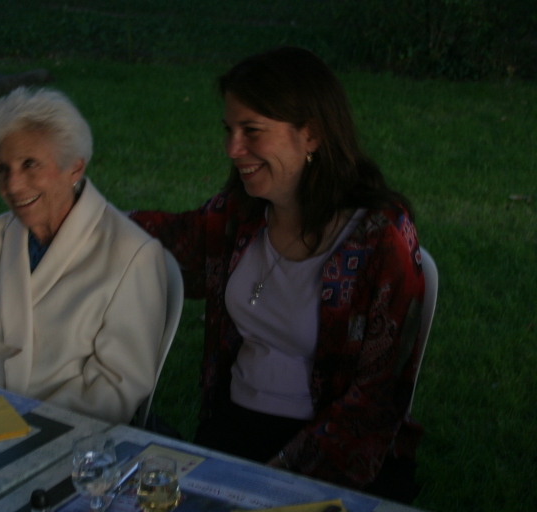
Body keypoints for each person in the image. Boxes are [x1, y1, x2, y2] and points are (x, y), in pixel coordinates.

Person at [130, 46, 425, 501]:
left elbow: (376, 397)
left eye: (252, 131)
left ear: (311, 134)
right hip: (233, 429)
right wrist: (76, 203)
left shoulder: (379, 238)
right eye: (229, 130)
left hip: (335, 454)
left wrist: (278, 472)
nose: (232, 149)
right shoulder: (241, 215)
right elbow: (162, 242)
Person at [0, 86, 168, 425]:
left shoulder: (133, 256)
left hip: (68, 438)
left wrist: (15, 426)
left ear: (74, 168)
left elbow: (116, 388)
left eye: (30, 164)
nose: (13, 186)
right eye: (2, 168)